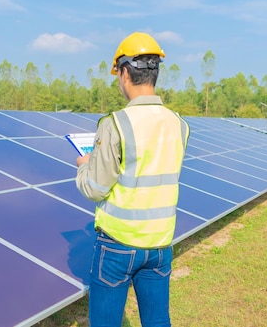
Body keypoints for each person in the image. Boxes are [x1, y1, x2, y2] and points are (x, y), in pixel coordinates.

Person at [75, 31, 190, 327]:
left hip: (118, 245)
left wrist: (84, 165)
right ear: (155, 73)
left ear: (124, 73)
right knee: (157, 322)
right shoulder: (178, 124)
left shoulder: (115, 124)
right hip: (160, 245)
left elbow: (95, 188)